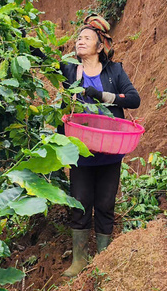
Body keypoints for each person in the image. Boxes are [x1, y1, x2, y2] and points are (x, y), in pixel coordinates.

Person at [54, 14, 141, 277]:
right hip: (80, 152)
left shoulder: (114, 71)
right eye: (79, 38)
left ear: (100, 46)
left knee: (105, 203)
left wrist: (101, 95)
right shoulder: (70, 70)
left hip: (109, 151)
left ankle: (103, 257)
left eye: (87, 38)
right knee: (80, 201)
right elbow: (44, 62)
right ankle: (79, 259)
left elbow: (134, 99)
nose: (80, 41)